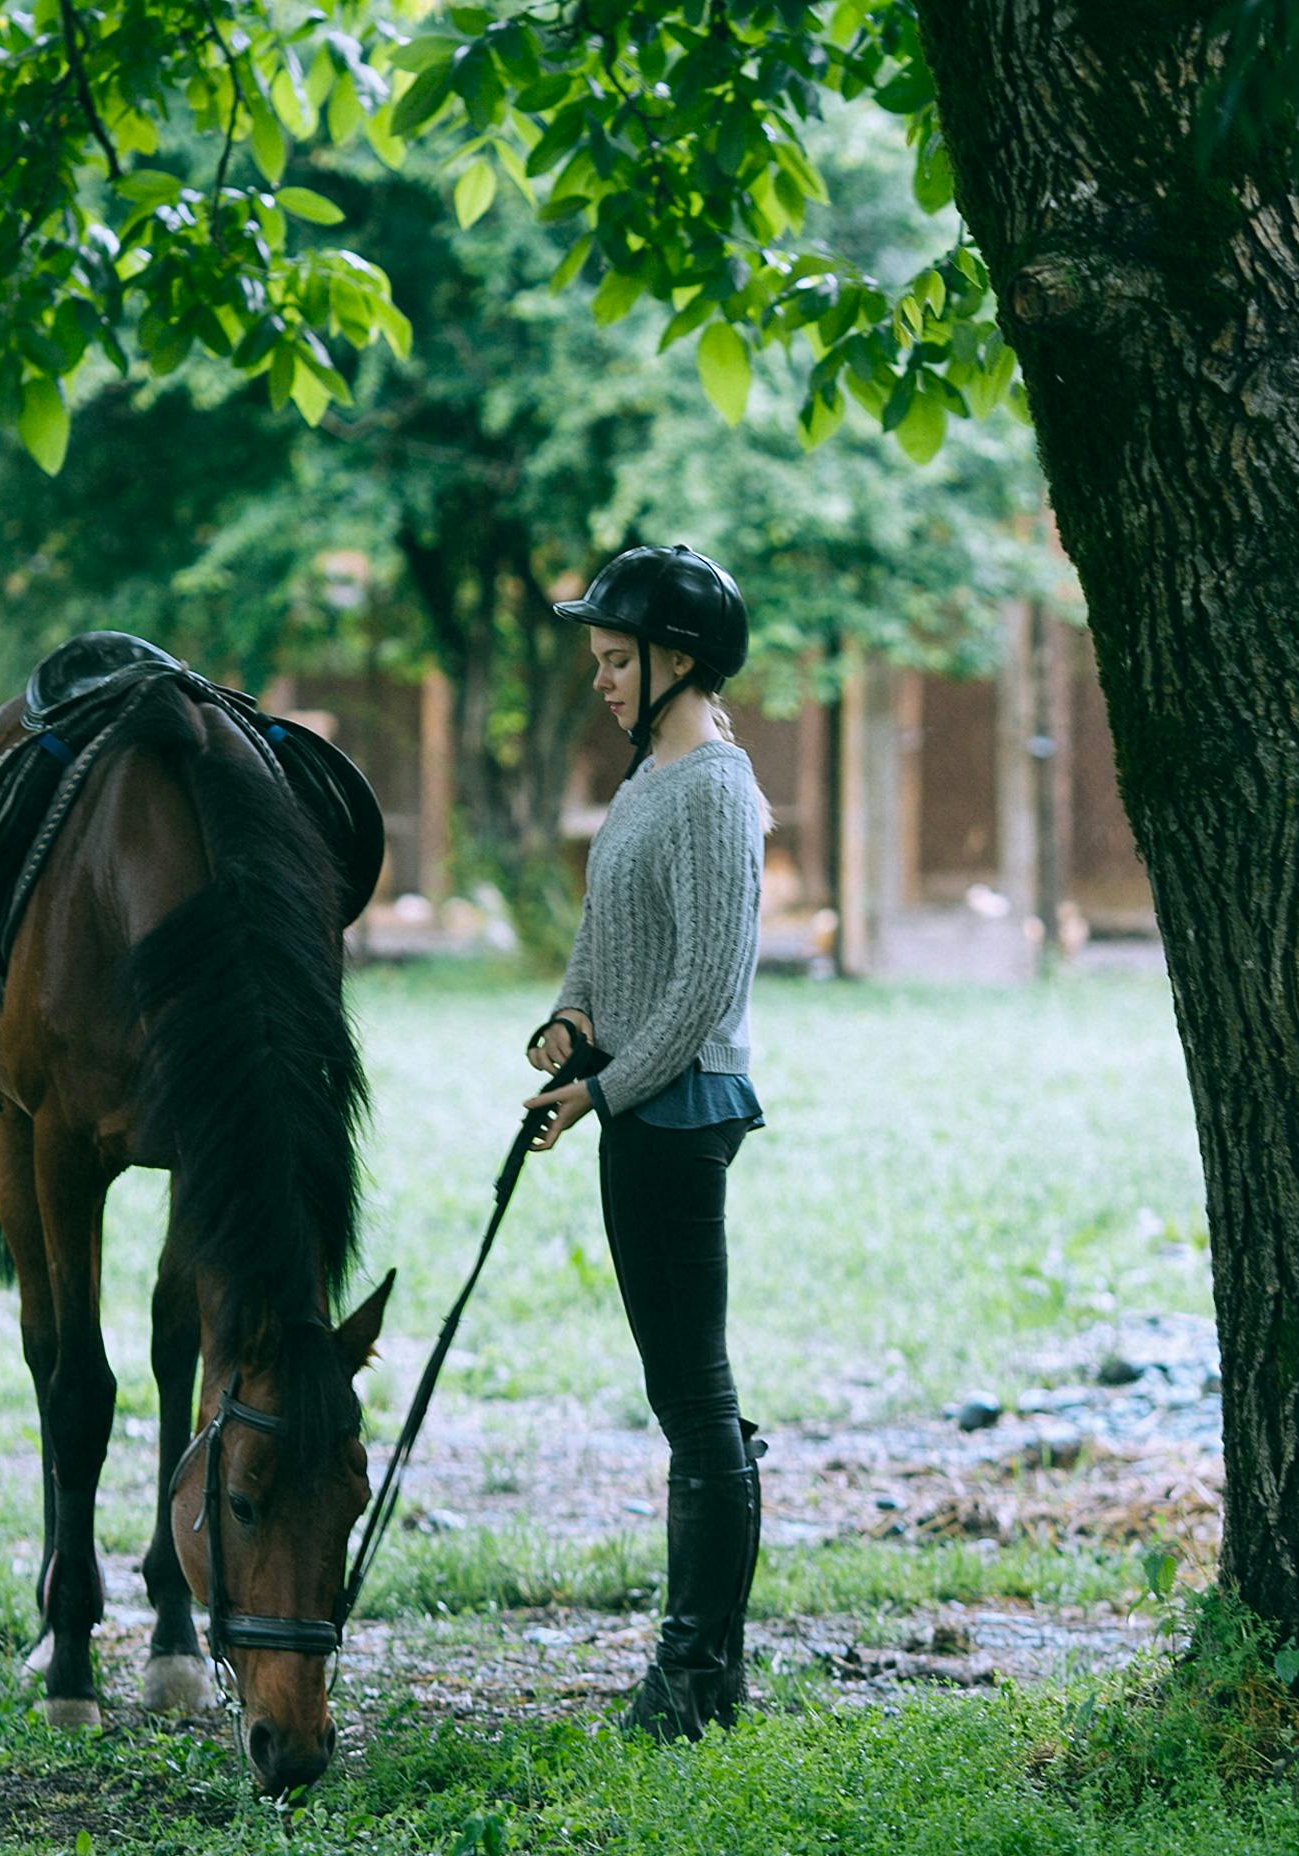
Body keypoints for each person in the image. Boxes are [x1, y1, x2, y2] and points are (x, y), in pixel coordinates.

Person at [522, 543, 770, 1742]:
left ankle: (692, 1679)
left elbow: (701, 991)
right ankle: (707, 1670)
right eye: (600, 660)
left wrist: (600, 1093)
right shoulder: (644, 782)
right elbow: (602, 934)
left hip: (680, 1111)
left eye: (618, 660)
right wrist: (572, 1018)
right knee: (692, 1397)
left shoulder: (716, 789)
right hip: (636, 1101)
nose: (603, 680)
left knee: (697, 1401)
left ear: (680, 659)